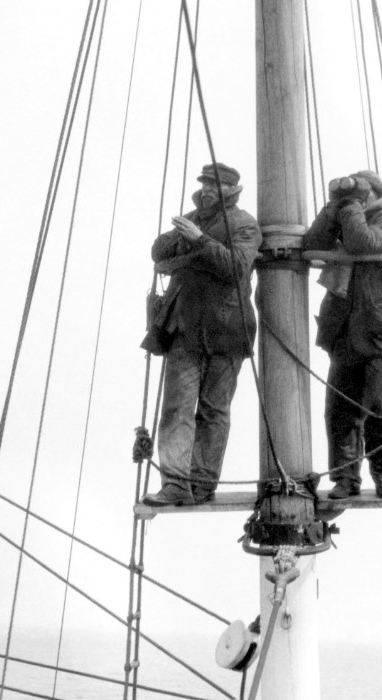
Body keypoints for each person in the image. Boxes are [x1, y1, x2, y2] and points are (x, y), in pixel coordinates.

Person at [142, 162, 262, 506]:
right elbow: (158, 250)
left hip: (228, 332)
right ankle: (176, 485)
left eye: (214, 185)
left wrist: (200, 240)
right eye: (205, 184)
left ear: (230, 192)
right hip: (185, 329)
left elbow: (236, 267)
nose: (207, 189)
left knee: (213, 410)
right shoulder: (191, 218)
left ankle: (202, 485)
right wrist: (187, 235)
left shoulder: (244, 225)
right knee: (177, 409)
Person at [303, 170, 382, 499]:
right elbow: (312, 243)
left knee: (377, 405)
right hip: (346, 333)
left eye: (357, 196)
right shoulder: (346, 217)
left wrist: (349, 208)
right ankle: (345, 479)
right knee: (340, 410)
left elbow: (363, 243)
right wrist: (332, 210)